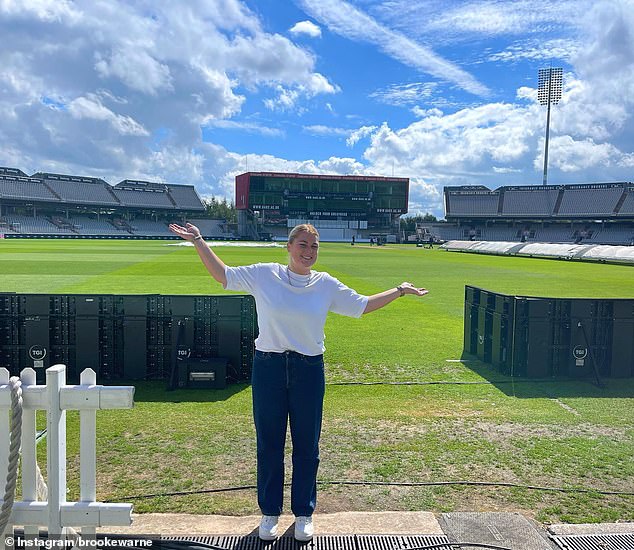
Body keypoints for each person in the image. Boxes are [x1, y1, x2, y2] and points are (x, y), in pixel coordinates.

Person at [168, 222, 428, 542]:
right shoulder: (265, 275)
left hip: (308, 370)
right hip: (269, 368)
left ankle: (304, 513)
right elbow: (224, 275)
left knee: (307, 445)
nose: (308, 252)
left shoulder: (325, 284)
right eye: (302, 245)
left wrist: (400, 290)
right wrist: (198, 241)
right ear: (289, 247)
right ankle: (269, 513)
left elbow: (362, 305)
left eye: (314, 247)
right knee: (269, 444)